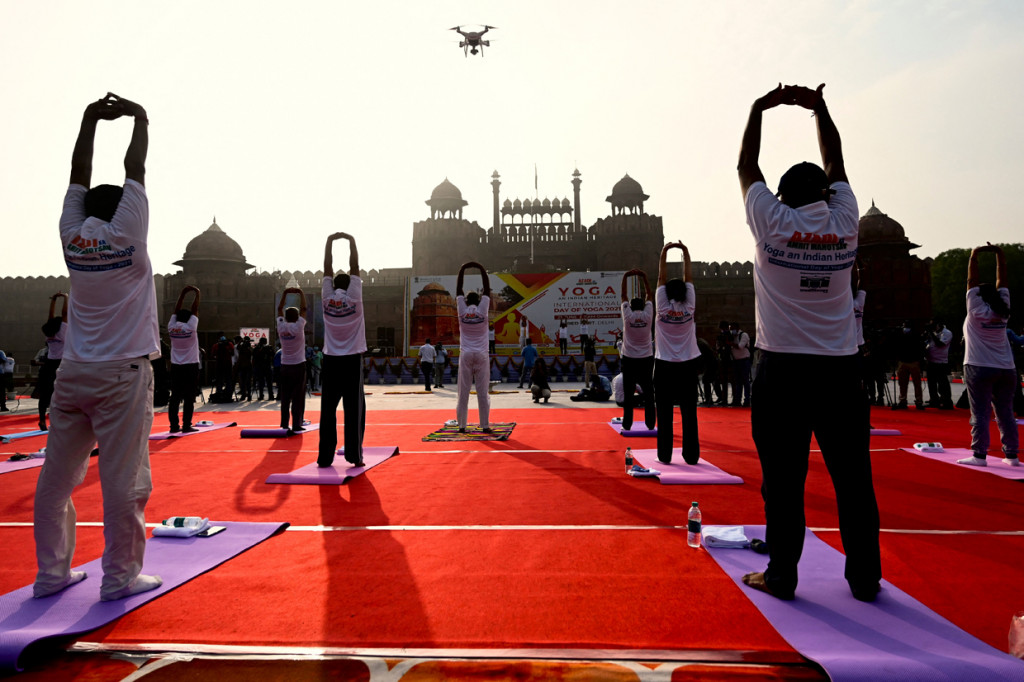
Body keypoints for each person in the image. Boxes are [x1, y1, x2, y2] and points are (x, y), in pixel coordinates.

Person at [737, 83, 880, 601]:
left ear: (779, 196)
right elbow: (835, 160)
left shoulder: (770, 222)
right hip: (841, 368)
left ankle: (783, 575)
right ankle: (865, 579)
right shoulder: (844, 224)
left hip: (782, 371)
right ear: (825, 195)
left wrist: (759, 109)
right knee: (853, 479)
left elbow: (745, 165)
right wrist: (819, 109)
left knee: (783, 480)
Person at [34, 93, 163, 601]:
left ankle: (50, 575)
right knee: (124, 481)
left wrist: (89, 119)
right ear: (125, 210)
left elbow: (76, 174)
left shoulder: (71, 237)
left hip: (74, 372)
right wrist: (141, 117)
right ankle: (119, 578)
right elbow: (137, 165)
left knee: (56, 479)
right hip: (123, 375)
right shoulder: (129, 233)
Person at [958, 243, 1018, 467]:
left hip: (978, 365)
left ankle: (979, 455)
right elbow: (1002, 281)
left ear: (978, 295)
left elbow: (971, 281)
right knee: (1006, 413)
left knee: (980, 413)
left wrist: (973, 255)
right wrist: (1000, 256)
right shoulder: (1003, 311)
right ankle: (1012, 455)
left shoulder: (975, 309)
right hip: (1006, 367)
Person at [318, 233, 367, 467]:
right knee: (353, 409)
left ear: (332, 285)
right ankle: (354, 456)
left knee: (327, 409)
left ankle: (325, 457)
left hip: (330, 360)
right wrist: (351, 240)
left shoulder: (326, 299)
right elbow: (355, 266)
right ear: (350, 285)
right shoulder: (355, 299)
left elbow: (326, 267)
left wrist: (329, 241)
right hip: (351, 360)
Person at [653, 242, 701, 465]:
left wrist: (663, 253)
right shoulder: (689, 307)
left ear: (665, 292)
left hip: (664, 365)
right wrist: (686, 253)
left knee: (664, 413)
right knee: (689, 412)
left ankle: (664, 455)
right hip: (688, 364)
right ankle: (691, 456)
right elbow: (688, 277)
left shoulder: (662, 308)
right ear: (684, 292)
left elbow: (660, 278)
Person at [455, 261, 492, 432]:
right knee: (482, 392)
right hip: (482, 355)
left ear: (465, 300)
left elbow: (458, 290)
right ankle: (484, 426)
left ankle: (462, 425)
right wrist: (481, 268)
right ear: (478, 300)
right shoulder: (482, 310)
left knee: (463, 393)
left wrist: (462, 269)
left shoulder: (461, 310)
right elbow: (487, 288)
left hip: (466, 354)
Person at [619, 269, 656, 430]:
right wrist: (645, 277)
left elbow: (623, 296)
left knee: (628, 393)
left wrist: (626, 277)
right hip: (646, 358)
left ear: (631, 306)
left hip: (629, 359)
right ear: (644, 305)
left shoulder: (628, 317)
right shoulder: (648, 315)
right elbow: (650, 295)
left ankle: (627, 424)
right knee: (649, 392)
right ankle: (650, 423)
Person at [167, 286, 201, 433]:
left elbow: (176, 311)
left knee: (174, 397)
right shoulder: (190, 328)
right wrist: (197, 294)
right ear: (189, 319)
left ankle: (174, 426)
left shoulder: (171, 327)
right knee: (189, 397)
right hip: (190, 366)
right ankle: (186, 425)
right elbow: (195, 309)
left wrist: (182, 294)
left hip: (175, 366)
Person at [276, 287, 307, 433]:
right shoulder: (299, 326)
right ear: (297, 317)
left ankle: (283, 424)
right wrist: (300, 293)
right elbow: (305, 308)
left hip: (285, 366)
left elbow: (279, 308)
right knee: (297, 397)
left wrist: (284, 294)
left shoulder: (281, 326)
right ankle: (296, 424)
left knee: (285, 397)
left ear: (286, 317)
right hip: (298, 365)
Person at [36, 293, 68, 431]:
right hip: (61, 364)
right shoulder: (63, 330)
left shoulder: (49, 332)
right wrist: (66, 298)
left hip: (49, 363)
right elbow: (65, 312)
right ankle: (61, 420)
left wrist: (53, 300)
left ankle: (42, 419)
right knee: (63, 393)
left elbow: (50, 315)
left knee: (45, 393)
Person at [892, 320, 926, 410]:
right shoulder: (900, 335)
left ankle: (918, 401)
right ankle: (903, 400)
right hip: (904, 361)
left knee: (916, 383)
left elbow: (921, 348)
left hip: (913, 361)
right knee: (903, 383)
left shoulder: (916, 335)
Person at [924, 319, 954, 410]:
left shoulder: (947, 333)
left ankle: (947, 401)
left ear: (939, 325)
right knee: (931, 383)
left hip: (941, 362)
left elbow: (940, 344)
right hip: (930, 361)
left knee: (942, 383)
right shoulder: (933, 332)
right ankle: (934, 401)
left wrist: (931, 333)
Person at [728, 322, 752, 406]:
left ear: (737, 328)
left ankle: (747, 400)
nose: (731, 331)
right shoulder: (732, 337)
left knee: (745, 381)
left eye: (732, 329)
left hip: (744, 360)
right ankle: (737, 400)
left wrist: (730, 343)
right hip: (736, 361)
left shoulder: (743, 335)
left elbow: (740, 346)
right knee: (737, 382)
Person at [210, 334, 234, 400]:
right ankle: (228, 393)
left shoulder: (216, 345)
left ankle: (219, 393)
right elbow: (232, 353)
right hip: (228, 364)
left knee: (219, 380)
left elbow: (212, 355)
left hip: (219, 365)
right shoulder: (230, 344)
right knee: (228, 379)